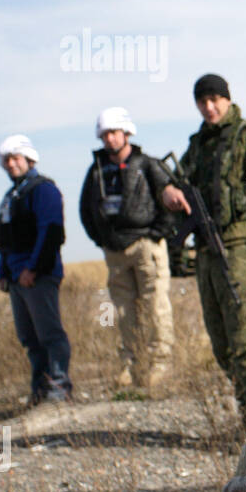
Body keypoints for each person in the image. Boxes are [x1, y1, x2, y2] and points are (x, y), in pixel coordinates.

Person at [161, 74, 246, 427]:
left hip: (237, 249)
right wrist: (168, 193)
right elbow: (175, 182)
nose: (209, 106)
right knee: (220, 343)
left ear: (227, 99)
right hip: (205, 254)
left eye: (215, 99)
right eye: (202, 101)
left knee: (245, 339)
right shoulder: (198, 144)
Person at [78, 106, 176, 390]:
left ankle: (160, 362)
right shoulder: (96, 171)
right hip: (114, 251)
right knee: (123, 310)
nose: (110, 139)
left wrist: (156, 234)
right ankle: (130, 364)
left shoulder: (149, 164)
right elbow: (86, 209)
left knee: (155, 304)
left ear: (126, 133)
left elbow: (171, 200)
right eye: (105, 134)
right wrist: (102, 240)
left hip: (146, 245)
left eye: (114, 132)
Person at [0, 134, 73, 405]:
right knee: (29, 337)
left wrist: (33, 269)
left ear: (28, 158)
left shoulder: (44, 190)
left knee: (49, 333)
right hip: (16, 279)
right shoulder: (10, 197)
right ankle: (39, 390)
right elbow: (4, 242)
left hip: (39, 276)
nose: (11, 164)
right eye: (7, 160)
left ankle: (60, 388)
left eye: (16, 158)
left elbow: (50, 232)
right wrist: (3, 273)